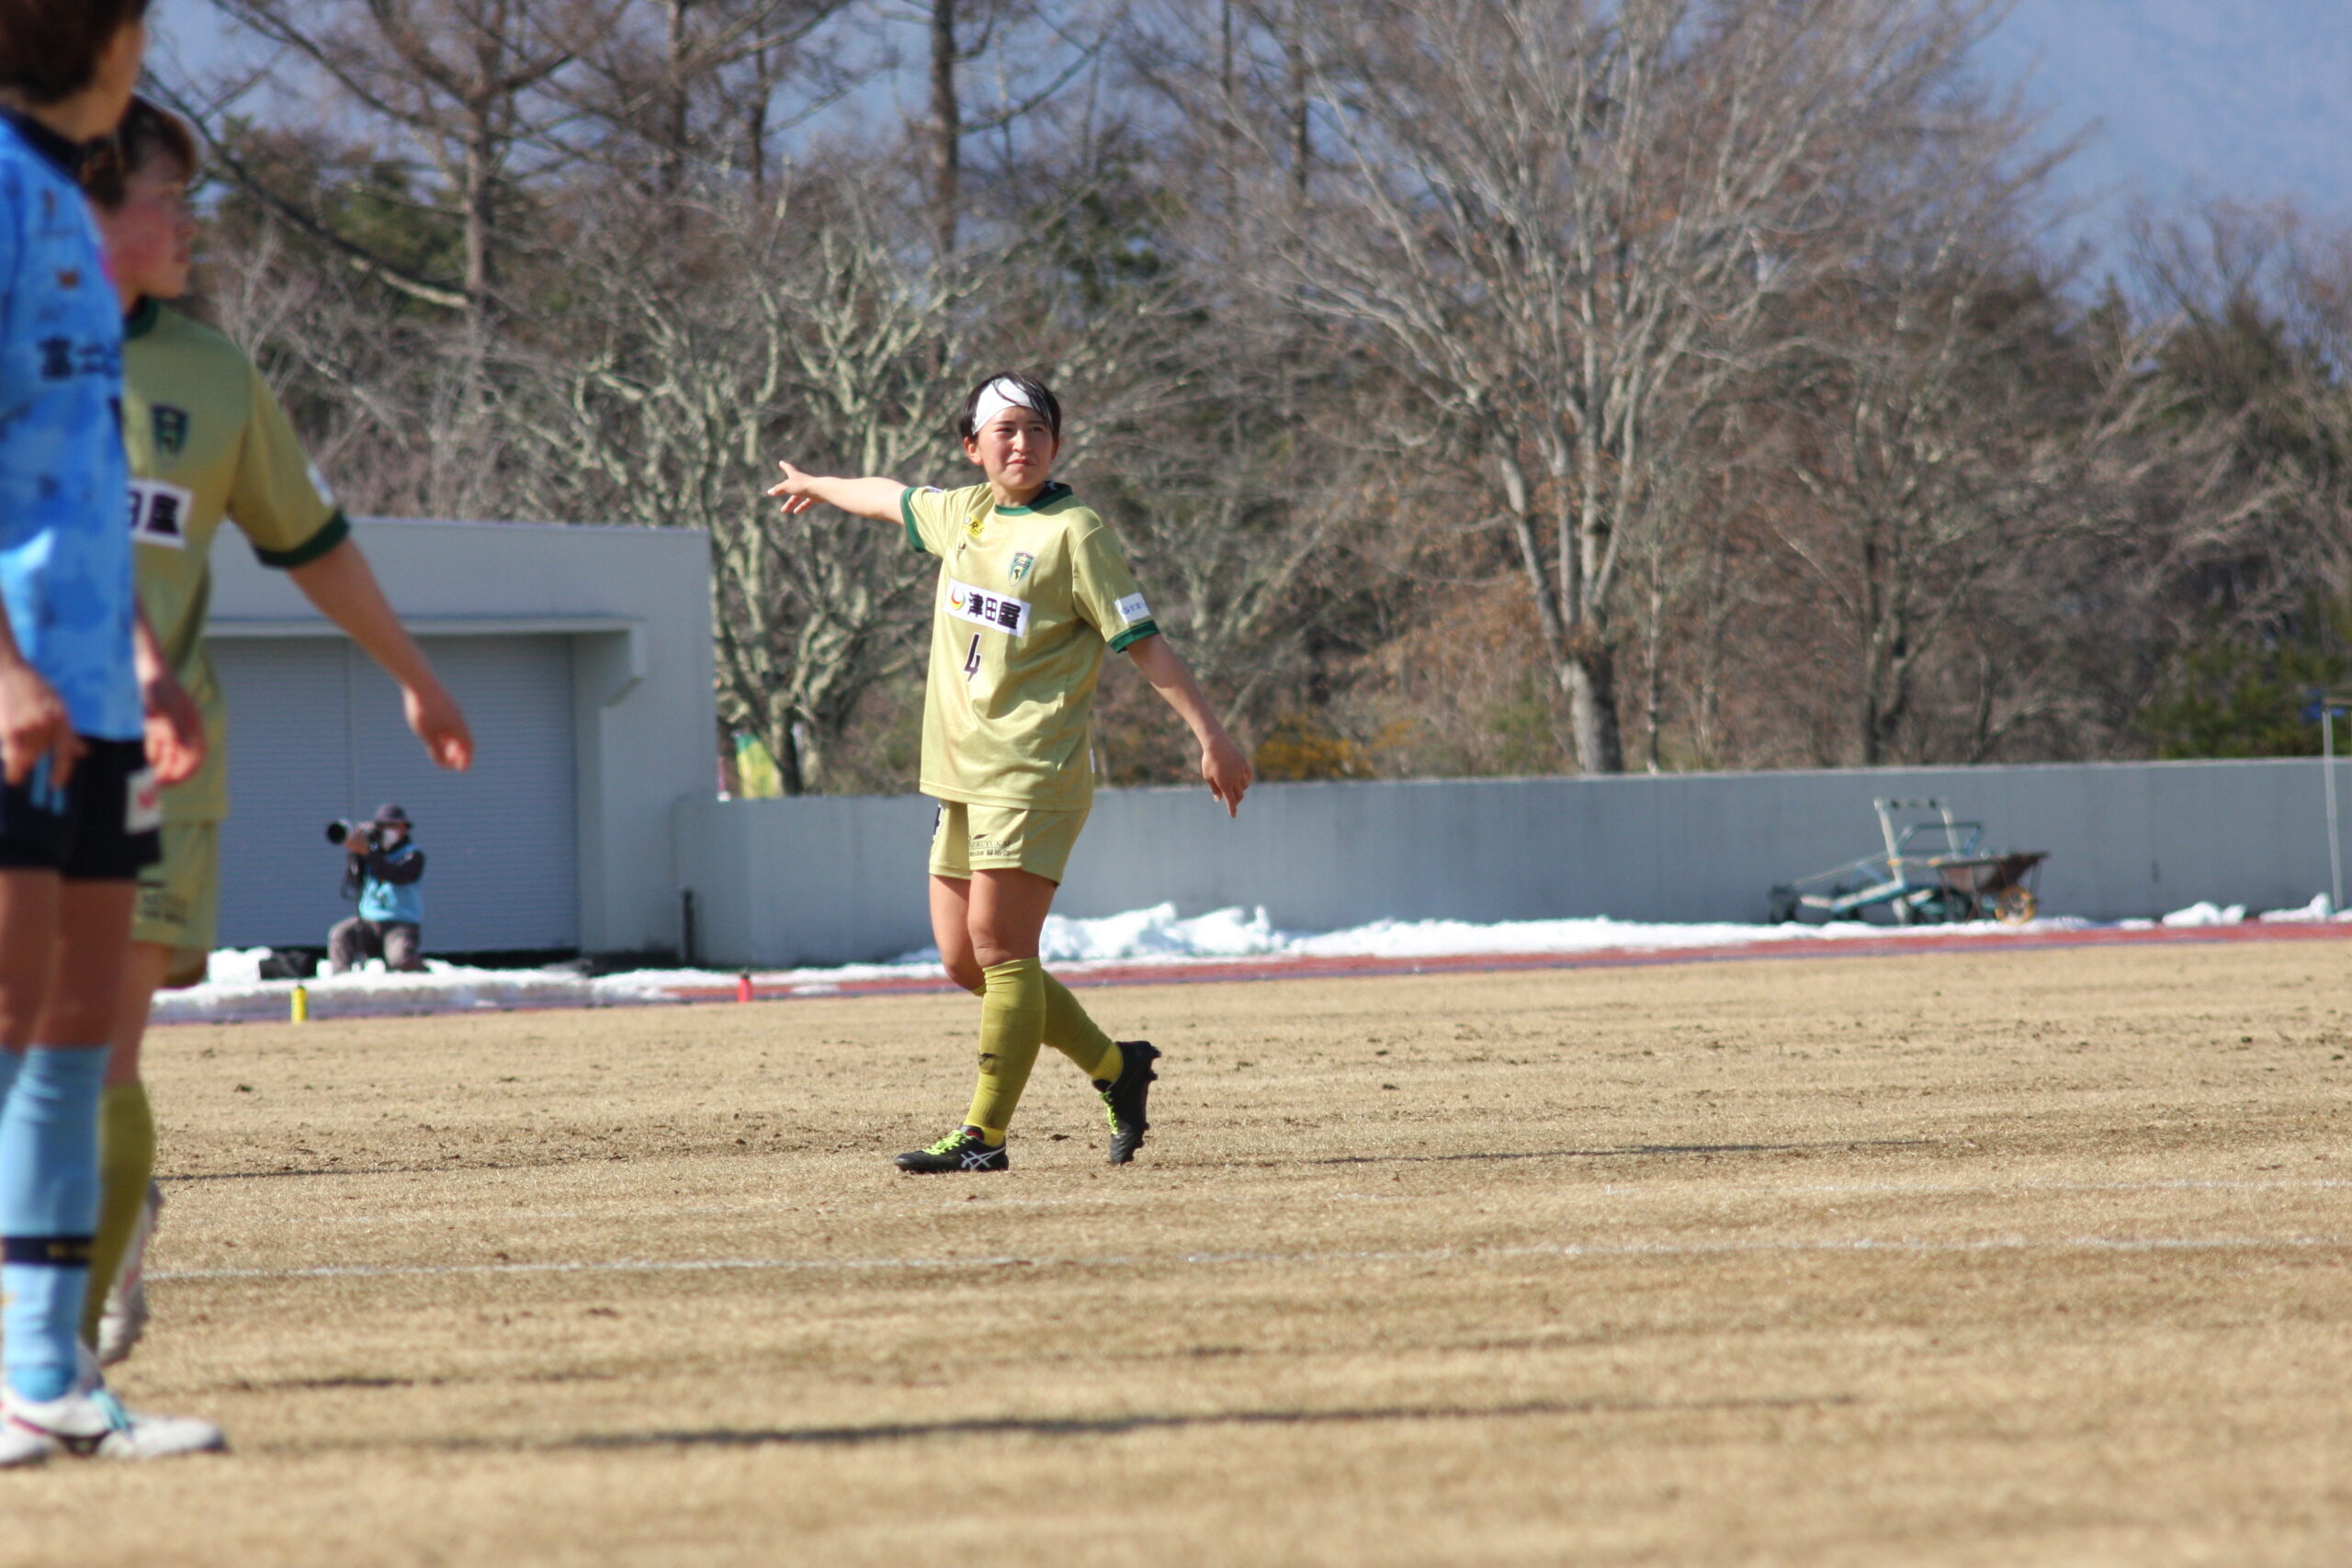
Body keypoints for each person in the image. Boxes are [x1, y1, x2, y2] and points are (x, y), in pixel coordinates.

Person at [74, 95, 471, 1366]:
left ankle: (59, 1343)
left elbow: (311, 542)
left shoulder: (211, 373)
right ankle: (92, 1235)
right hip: (25, 741)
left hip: (160, 763)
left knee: (91, 1048)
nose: (192, 222)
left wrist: (413, 675)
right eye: (167, 197)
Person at [768, 372, 1251, 1173]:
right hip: (959, 773)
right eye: (1005, 430)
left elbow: (1144, 642)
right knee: (965, 961)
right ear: (973, 447)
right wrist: (819, 484)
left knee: (1000, 947)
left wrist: (1213, 735)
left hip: (1033, 769)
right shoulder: (965, 513)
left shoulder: (1076, 533)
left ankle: (983, 1138)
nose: (1022, 443)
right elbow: (888, 497)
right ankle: (1117, 1068)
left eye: (1037, 429)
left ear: (1056, 443)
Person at [0, 0, 223, 1463]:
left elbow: (81, 472)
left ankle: (42, 1377)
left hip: (93, 690)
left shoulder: (62, 213)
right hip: (16, 687)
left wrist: (139, 659)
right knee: (10, 1015)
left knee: (75, 1027)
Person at [326, 803, 430, 974]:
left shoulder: (412, 854)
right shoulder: (371, 853)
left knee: (401, 959)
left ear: (404, 828)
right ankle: (341, 980)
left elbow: (398, 875)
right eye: (383, 826)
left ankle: (427, 978)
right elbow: (354, 883)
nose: (387, 830)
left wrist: (368, 854)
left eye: (392, 826)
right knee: (341, 934)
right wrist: (356, 853)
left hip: (400, 923)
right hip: (369, 922)